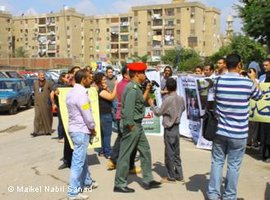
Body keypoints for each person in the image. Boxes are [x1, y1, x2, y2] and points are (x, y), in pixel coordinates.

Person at [207, 54, 263, 200]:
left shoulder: (217, 81)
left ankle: (213, 194)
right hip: (239, 133)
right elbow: (259, 96)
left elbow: (212, 100)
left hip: (220, 131)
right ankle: (229, 196)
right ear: (240, 65)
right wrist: (251, 78)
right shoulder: (246, 83)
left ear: (226, 64)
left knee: (217, 162)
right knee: (233, 166)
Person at [114, 62, 161, 193]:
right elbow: (128, 110)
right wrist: (130, 125)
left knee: (145, 151)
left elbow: (140, 102)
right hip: (132, 125)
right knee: (125, 155)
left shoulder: (136, 87)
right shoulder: (132, 89)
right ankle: (120, 183)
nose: (144, 75)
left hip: (137, 125)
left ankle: (148, 179)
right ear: (136, 74)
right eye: (143, 73)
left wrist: (146, 90)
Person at [66, 69, 96, 200]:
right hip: (81, 130)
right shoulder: (82, 95)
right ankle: (73, 193)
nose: (91, 80)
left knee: (82, 159)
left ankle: (87, 181)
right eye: (89, 78)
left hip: (74, 129)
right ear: (83, 80)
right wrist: (92, 127)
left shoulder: (71, 92)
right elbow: (87, 114)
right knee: (78, 162)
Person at [148, 78, 185, 182]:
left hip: (169, 128)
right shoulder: (181, 98)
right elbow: (183, 108)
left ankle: (171, 176)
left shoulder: (168, 100)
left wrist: (152, 105)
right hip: (177, 127)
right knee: (176, 152)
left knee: (169, 153)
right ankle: (179, 174)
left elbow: (158, 112)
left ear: (167, 88)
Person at [107, 66, 141, 174]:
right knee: (131, 142)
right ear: (126, 75)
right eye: (130, 73)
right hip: (126, 116)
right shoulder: (129, 86)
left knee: (121, 138)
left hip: (119, 115)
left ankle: (113, 160)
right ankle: (130, 166)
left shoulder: (120, 84)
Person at [58, 66, 81, 170]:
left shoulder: (83, 85)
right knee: (68, 140)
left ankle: (78, 162)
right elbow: (57, 89)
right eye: (74, 72)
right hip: (69, 117)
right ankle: (67, 161)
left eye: (78, 72)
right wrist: (58, 91)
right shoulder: (66, 85)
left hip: (80, 118)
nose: (76, 74)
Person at [94, 72, 117, 159]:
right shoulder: (100, 91)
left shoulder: (101, 89)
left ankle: (102, 150)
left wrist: (107, 88)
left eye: (105, 79)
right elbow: (111, 97)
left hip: (103, 114)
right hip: (105, 114)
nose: (105, 81)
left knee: (103, 134)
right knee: (107, 134)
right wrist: (116, 86)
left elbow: (110, 95)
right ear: (99, 80)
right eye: (103, 79)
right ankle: (107, 151)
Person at [31, 71, 54, 137]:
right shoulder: (35, 83)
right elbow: (35, 92)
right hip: (37, 103)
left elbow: (52, 91)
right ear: (38, 76)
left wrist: (52, 102)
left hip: (46, 103)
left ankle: (48, 131)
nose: (42, 76)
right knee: (37, 117)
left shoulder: (48, 83)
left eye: (43, 75)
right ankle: (36, 131)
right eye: (40, 75)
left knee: (47, 116)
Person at [52, 72, 70, 142]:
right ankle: (60, 137)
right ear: (62, 78)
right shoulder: (57, 85)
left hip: (67, 106)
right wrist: (54, 104)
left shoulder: (68, 85)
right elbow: (52, 94)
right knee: (61, 122)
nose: (68, 79)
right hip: (60, 106)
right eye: (67, 77)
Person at [259, 58, 270, 162]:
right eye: (263, 65)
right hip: (263, 109)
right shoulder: (262, 77)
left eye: (266, 65)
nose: (264, 67)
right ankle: (263, 153)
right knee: (264, 132)